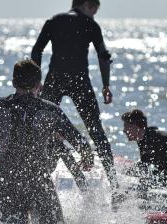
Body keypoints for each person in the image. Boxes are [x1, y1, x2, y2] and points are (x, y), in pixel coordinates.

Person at [0, 59, 94, 224]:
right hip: (39, 182)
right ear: (38, 85)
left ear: (13, 83)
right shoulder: (50, 111)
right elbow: (79, 141)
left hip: (8, 183)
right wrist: (87, 157)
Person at [31, 0, 118, 190]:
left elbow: (36, 50)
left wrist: (36, 81)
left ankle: (36, 178)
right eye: (95, 10)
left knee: (42, 128)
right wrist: (105, 85)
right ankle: (114, 184)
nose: (94, 14)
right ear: (88, 4)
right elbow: (103, 55)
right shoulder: (91, 25)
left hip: (55, 79)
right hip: (80, 81)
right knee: (96, 131)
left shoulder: (53, 21)